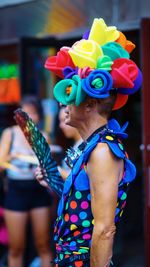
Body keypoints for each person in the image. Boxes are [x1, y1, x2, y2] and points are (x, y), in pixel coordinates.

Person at [34, 18, 142, 267]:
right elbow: (83, 203)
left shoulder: (102, 150)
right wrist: (55, 182)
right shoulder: (93, 145)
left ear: (91, 104)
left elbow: (104, 229)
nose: (64, 103)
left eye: (71, 95)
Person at [0, 96, 53, 267]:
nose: (28, 117)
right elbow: (0, 164)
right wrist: (12, 156)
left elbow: (50, 168)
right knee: (16, 248)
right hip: (16, 192)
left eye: (33, 113)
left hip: (39, 192)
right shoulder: (10, 134)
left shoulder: (42, 136)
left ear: (39, 116)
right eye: (24, 113)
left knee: (43, 245)